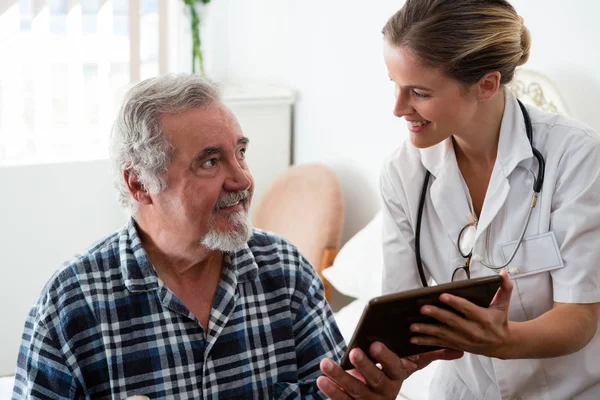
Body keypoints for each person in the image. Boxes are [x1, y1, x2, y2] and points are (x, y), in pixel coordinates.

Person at [12, 74, 351, 399]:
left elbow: (335, 393)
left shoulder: (286, 271)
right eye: (211, 162)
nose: (243, 180)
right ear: (141, 184)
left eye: (241, 154)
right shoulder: (70, 305)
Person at [360, 0, 599, 399]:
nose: (398, 109)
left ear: (487, 85)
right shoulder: (403, 172)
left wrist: (503, 340)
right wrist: (386, 369)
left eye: (418, 92)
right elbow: (399, 318)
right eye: (395, 85)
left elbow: (579, 318)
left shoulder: (574, 156)